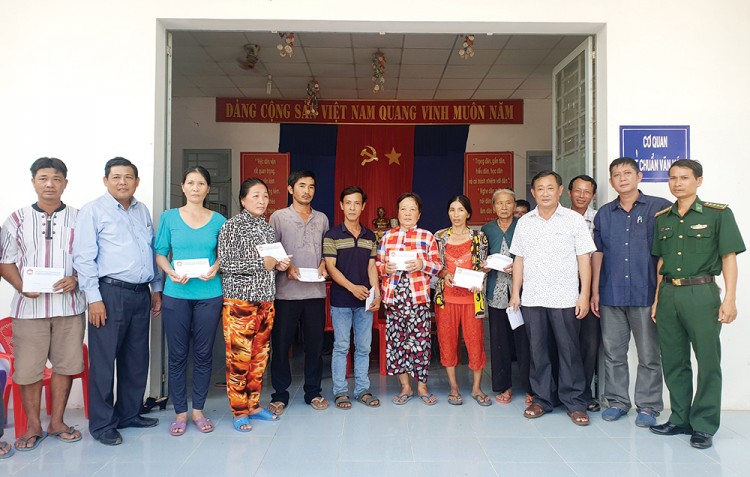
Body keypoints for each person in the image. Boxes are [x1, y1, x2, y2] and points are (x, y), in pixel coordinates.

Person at [650, 160, 744, 450]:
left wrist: (730, 299)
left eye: (684, 178)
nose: (677, 183)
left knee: (707, 360)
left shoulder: (718, 214)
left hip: (701, 293)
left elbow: (729, 257)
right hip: (669, 295)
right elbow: (662, 261)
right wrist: (657, 299)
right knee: (674, 360)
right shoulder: (662, 219)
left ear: (698, 181)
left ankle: (703, 424)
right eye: (673, 178)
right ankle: (680, 418)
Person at [73, 157, 163, 446]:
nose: (122, 182)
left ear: (137, 181)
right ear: (105, 181)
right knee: (104, 360)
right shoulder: (93, 211)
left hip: (140, 293)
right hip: (109, 293)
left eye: (128, 177)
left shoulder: (141, 210)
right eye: (116, 177)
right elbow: (83, 258)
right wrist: (94, 298)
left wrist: (156, 288)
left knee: (136, 358)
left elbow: (150, 251)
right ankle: (102, 424)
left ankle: (129, 413)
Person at [0, 158, 85, 451]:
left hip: (69, 307)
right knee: (28, 370)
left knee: (66, 366)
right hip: (29, 309)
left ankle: (58, 422)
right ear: (34, 182)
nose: (50, 184)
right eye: (43, 178)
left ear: (65, 183)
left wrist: (76, 278)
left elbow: (90, 257)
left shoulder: (79, 218)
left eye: (56, 179)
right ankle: (33, 426)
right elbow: (5, 261)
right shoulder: (17, 219)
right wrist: (22, 286)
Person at [509, 170, 596, 426]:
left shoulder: (573, 220)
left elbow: (584, 259)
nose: (545, 193)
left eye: (550, 188)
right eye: (540, 189)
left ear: (559, 191)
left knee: (569, 352)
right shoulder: (525, 222)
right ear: (533, 193)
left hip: (565, 298)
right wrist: (515, 293)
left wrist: (584, 295)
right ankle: (542, 399)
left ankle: (575, 402)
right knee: (538, 352)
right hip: (533, 297)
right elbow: (519, 259)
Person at [591, 158, 671, 428]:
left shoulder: (660, 209)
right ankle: (617, 402)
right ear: (611, 181)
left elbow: (667, 253)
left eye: (627, 173)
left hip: (646, 293)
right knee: (614, 353)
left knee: (649, 355)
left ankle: (648, 406)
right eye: (617, 175)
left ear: (639, 176)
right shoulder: (604, 214)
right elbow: (598, 254)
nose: (622, 178)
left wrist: (661, 294)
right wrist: (595, 291)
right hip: (611, 294)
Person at [154, 166, 226, 436]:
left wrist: (216, 267)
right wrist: (170, 271)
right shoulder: (169, 217)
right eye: (191, 183)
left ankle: (198, 410)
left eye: (201, 183)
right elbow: (160, 252)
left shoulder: (219, 220)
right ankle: (180, 413)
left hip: (209, 294)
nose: (196, 188)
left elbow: (224, 253)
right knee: (177, 355)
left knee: (204, 354)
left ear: (208, 189)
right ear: (182, 186)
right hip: (176, 294)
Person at [218, 178, 290, 431]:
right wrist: (263, 263)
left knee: (259, 358)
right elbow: (225, 264)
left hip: (266, 301)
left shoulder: (267, 228)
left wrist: (280, 264)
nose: (262, 201)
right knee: (239, 359)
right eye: (256, 196)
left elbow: (270, 264)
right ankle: (239, 411)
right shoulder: (232, 226)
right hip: (240, 302)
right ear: (243, 199)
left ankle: (254, 405)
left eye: (265, 196)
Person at [268, 171, 330, 414]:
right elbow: (271, 251)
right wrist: (287, 266)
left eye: (311, 186)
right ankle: (279, 394)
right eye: (302, 185)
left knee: (315, 345)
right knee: (281, 344)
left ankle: (313, 392)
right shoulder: (279, 217)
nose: (307, 191)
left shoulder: (322, 218)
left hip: (315, 292)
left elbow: (327, 250)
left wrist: (324, 263)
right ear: (290, 189)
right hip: (286, 293)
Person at [377, 193, 442, 406]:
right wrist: (385, 268)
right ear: (397, 213)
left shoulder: (427, 236)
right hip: (394, 297)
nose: (407, 213)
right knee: (397, 343)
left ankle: (422, 386)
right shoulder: (387, 237)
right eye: (403, 209)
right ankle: (405, 387)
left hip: (418, 298)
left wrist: (422, 264)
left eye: (412, 209)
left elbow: (438, 266)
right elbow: (377, 265)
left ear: (419, 214)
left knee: (420, 342)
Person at [323, 186, 381, 410]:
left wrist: (376, 293)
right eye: (348, 203)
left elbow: (371, 267)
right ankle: (340, 392)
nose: (352, 207)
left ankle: (362, 390)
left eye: (357, 203)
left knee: (364, 347)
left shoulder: (370, 236)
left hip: (365, 301)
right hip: (341, 301)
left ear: (363, 206)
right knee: (341, 347)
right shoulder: (332, 235)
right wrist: (352, 288)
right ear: (341, 206)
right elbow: (331, 267)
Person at [434, 195, 491, 406]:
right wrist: (444, 273)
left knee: (475, 342)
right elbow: (435, 266)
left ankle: (476, 388)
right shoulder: (439, 237)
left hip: (472, 299)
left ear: (468, 213)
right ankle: (454, 387)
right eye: (452, 210)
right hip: (446, 299)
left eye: (460, 210)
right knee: (447, 341)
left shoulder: (479, 237)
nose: (456, 214)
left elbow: (483, 266)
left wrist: (480, 277)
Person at [481, 189, 531, 405]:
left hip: (523, 292)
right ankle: (505, 386)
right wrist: (484, 266)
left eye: (508, 203)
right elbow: (480, 258)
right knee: (499, 341)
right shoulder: (487, 229)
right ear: (493, 207)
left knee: (525, 340)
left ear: (514, 205)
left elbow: (534, 256)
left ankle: (531, 387)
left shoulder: (524, 226)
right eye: (499, 203)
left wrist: (520, 267)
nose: (504, 207)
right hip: (497, 291)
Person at [567, 174, 601, 412]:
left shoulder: (600, 219)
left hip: (589, 284)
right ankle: (563, 390)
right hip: (562, 284)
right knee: (563, 340)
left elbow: (600, 254)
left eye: (587, 191)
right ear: (569, 193)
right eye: (577, 191)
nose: (581, 196)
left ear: (593, 195)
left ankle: (584, 392)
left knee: (589, 341)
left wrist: (591, 291)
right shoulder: (560, 217)